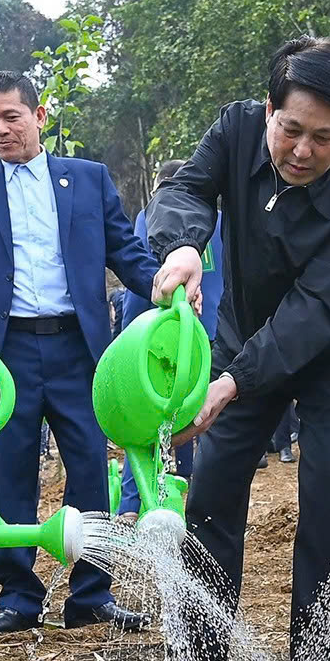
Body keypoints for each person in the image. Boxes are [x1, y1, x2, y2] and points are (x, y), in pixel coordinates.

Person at [111, 38, 330, 661]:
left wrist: (231, 381)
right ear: (268, 111)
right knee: (214, 490)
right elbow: (187, 189)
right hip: (242, 331)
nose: (302, 150)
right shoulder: (233, 129)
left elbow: (316, 310)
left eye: (325, 138)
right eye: (290, 129)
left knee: (327, 492)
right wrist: (184, 245)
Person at [0, 72, 154, 637]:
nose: (0, 130)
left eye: (11, 117)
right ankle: (19, 596)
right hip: (6, 352)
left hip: (79, 348)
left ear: (39, 115)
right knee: (12, 473)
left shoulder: (88, 180)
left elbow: (126, 251)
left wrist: (167, 289)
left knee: (91, 472)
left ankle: (92, 593)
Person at [114, 159, 221, 516]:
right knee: (202, 419)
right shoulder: (219, 220)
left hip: (163, 341)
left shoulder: (150, 218)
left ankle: (134, 504)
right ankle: (197, 504)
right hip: (213, 337)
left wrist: (129, 335)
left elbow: (138, 290)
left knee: (149, 423)